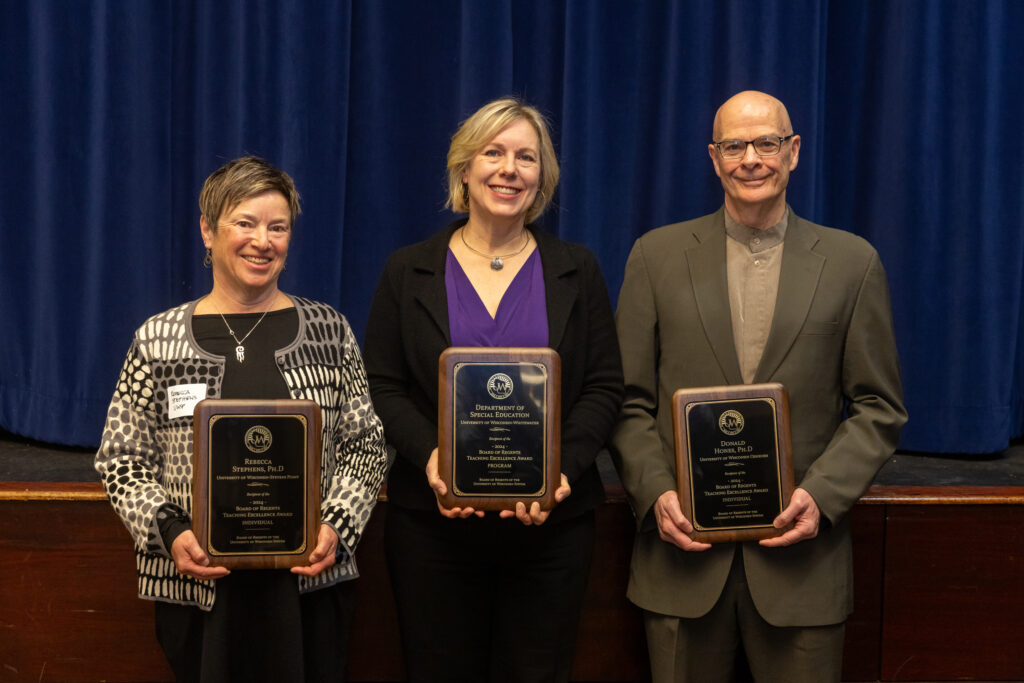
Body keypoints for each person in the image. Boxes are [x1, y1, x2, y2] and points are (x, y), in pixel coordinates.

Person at [610, 91, 907, 683]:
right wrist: (657, 493)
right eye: (734, 145)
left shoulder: (853, 263)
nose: (751, 158)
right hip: (681, 562)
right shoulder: (655, 257)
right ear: (713, 158)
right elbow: (627, 400)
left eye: (766, 143)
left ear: (793, 152)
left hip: (802, 568)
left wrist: (820, 497)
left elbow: (879, 407)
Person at [94, 156, 388, 682]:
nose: (263, 241)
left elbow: (364, 446)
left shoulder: (328, 330)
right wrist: (169, 530)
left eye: (278, 227)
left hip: (306, 583)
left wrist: (335, 528)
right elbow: (122, 458)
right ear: (208, 231)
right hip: (201, 587)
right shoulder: (158, 339)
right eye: (245, 223)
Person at [363, 97, 623, 683]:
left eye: (526, 157)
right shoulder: (408, 270)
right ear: (464, 169)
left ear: (541, 178)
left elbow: (605, 387)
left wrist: (561, 470)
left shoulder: (577, 268)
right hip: (433, 527)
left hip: (550, 527)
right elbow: (381, 384)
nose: (509, 169)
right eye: (494, 153)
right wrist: (433, 456)